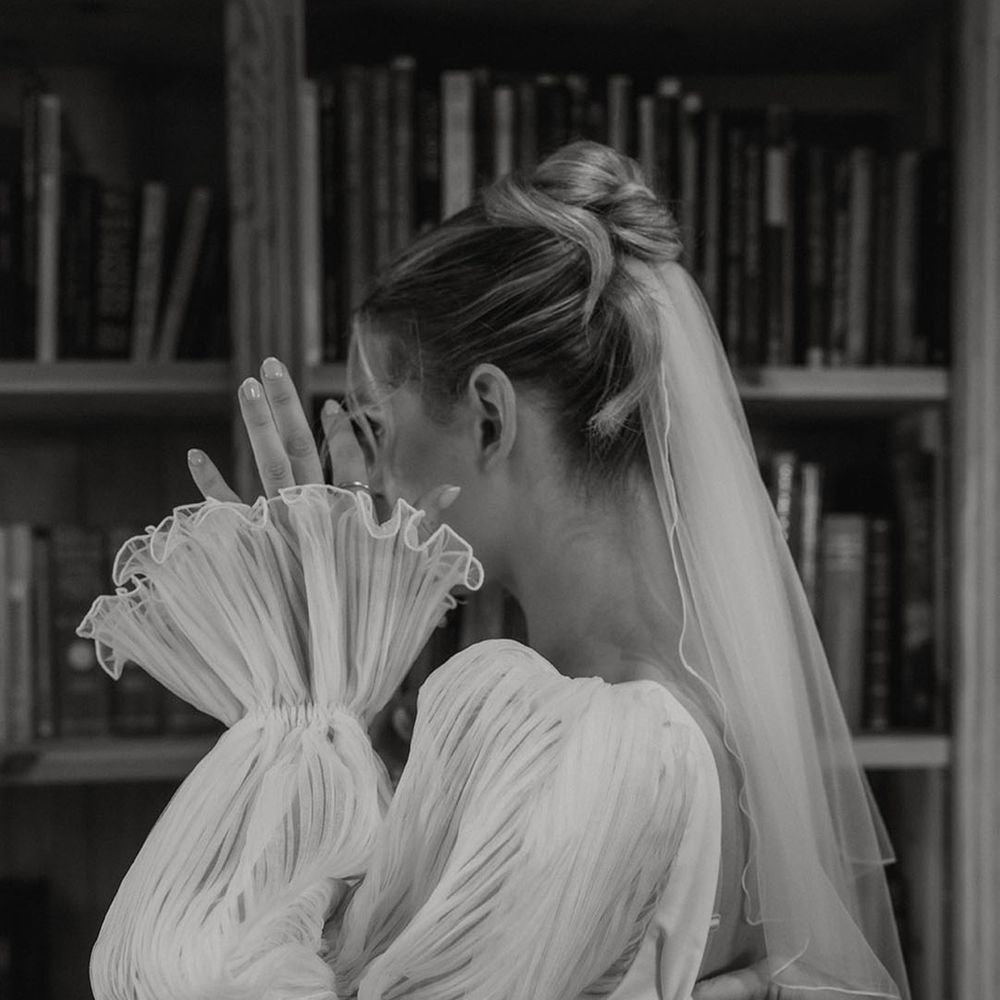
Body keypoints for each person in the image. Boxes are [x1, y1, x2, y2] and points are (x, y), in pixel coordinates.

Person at [175, 140, 908, 999]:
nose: (360, 485)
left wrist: (302, 685)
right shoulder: (684, 713)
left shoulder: (600, 746)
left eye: (375, 427)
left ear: (488, 416)